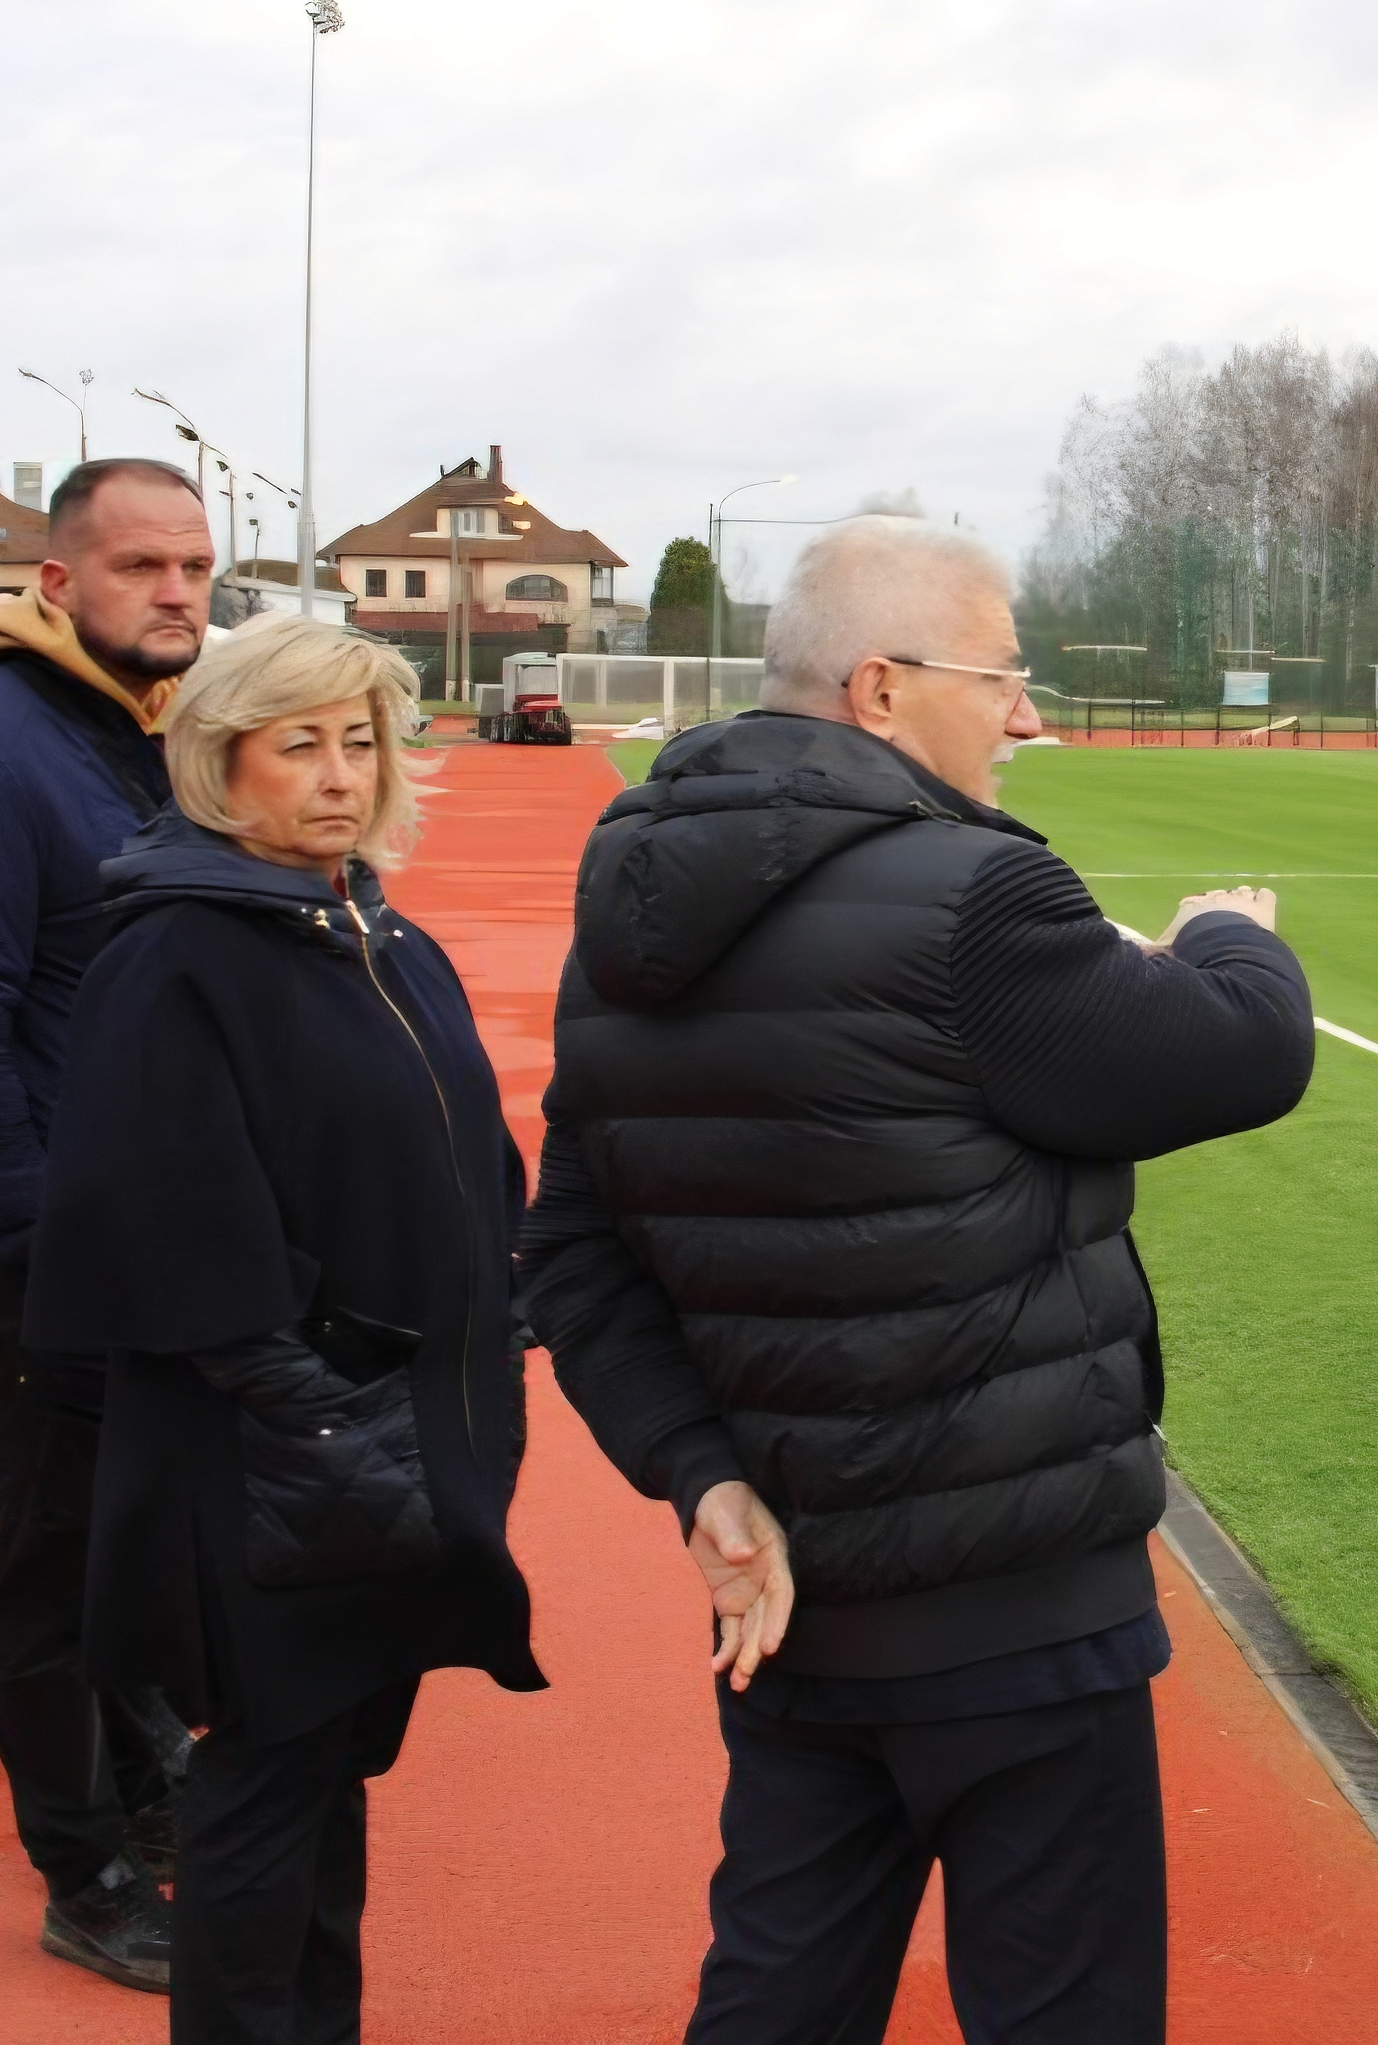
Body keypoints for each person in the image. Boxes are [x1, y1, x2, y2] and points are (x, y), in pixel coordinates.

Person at [520, 516, 1316, 2042]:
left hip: (794, 1592)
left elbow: (574, 1247)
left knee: (779, 1993)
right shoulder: (971, 898)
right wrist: (1230, 941)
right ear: (880, 690)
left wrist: (701, 1472)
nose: (1029, 716)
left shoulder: (630, 894)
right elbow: (1243, 1054)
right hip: (1015, 1604)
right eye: (1002, 675)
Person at [24, 615, 545, 2044]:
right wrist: (307, 1402)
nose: (337, 774)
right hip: (269, 1453)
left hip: (384, 1428)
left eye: (360, 742)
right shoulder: (180, 951)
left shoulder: (371, 928)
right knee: (264, 1782)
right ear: (218, 761)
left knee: (321, 1777)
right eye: (297, 743)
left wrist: (512, 1289)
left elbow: (461, 1157)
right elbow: (159, 1210)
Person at [0, 456, 213, 1988]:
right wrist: (32, 1256)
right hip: (53, 1252)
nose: (181, 593)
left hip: (157, 1242)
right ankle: (84, 1872)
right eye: (142, 568)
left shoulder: (136, 737)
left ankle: (144, 1769)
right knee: (60, 1557)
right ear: (55, 585)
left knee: (144, 1533)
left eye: (198, 565)